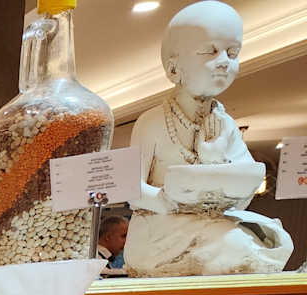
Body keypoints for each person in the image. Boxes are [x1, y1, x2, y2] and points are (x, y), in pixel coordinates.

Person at [124, 1, 293, 275]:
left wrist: (216, 163)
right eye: (210, 51)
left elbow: (244, 193)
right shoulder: (152, 122)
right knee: (234, 245)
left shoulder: (226, 125)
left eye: (232, 52)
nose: (224, 61)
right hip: (159, 229)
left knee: (276, 240)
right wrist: (172, 200)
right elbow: (131, 190)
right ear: (173, 68)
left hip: (214, 222)